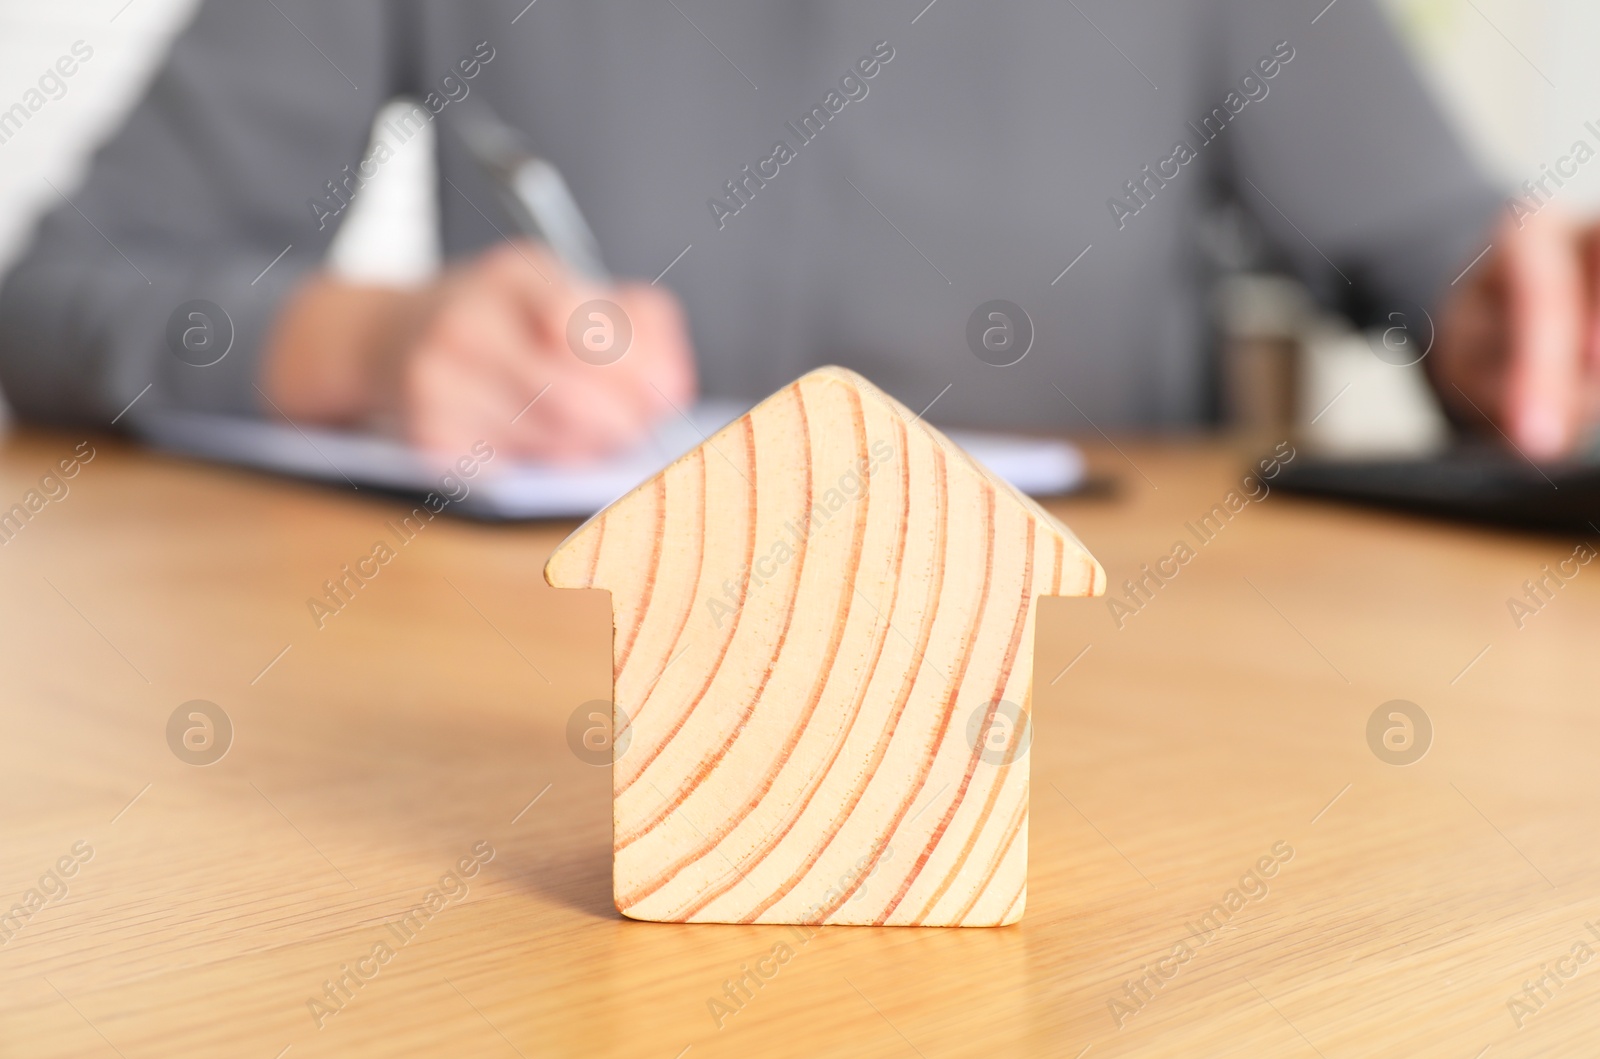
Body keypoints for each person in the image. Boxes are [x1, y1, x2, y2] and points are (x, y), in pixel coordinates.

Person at [0, 0, 1594, 461]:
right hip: (542, 727)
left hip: (1099, 727)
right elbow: (56, 300)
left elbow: (1453, 269)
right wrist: (365, 344)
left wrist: (1514, 319)